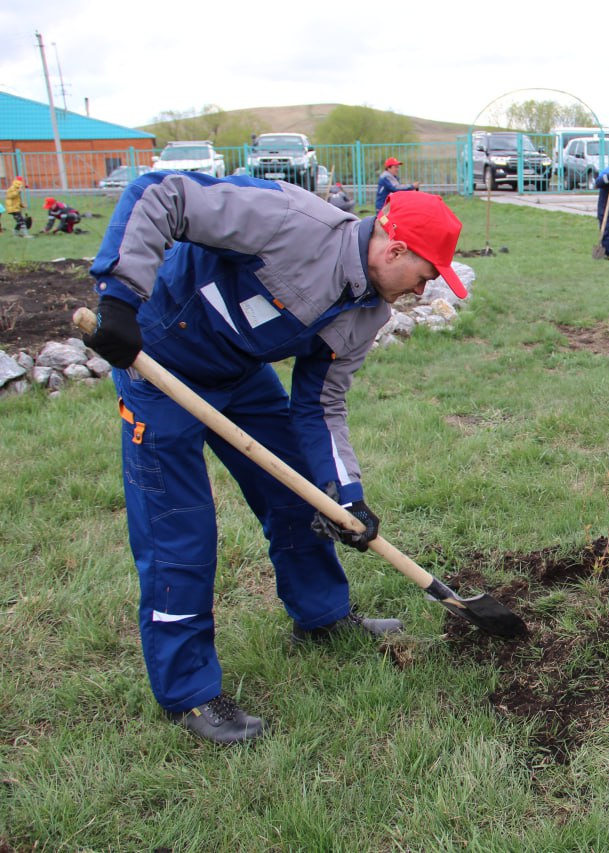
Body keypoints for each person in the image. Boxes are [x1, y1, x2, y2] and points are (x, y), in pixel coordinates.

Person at [80, 172, 468, 743]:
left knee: (301, 494)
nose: (422, 288)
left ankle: (321, 616)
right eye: (425, 274)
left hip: (239, 375)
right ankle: (189, 692)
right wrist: (119, 298)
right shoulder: (289, 222)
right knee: (179, 532)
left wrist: (347, 494)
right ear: (396, 249)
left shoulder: (367, 313)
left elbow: (321, 404)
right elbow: (162, 194)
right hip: (160, 362)